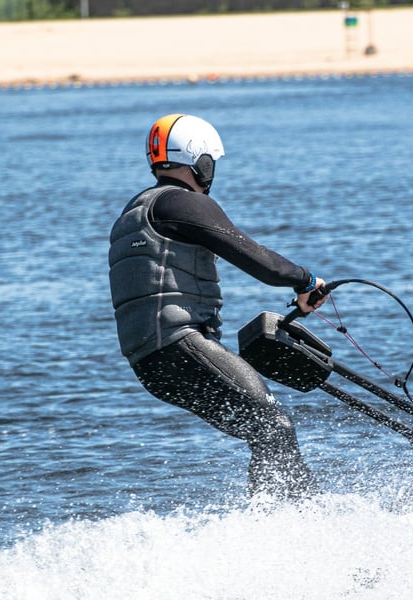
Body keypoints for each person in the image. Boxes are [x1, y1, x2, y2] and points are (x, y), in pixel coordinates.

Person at [108, 113, 328, 501]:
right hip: (180, 348)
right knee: (274, 426)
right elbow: (258, 259)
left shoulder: (136, 209)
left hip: (153, 365)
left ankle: (278, 520)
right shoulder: (181, 202)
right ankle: (294, 526)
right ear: (201, 161)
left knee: (264, 432)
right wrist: (305, 281)